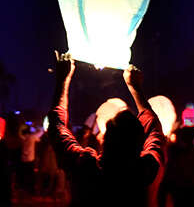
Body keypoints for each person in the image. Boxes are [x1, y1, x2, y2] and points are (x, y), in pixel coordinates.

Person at [47, 52, 165, 207]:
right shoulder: (149, 168)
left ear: (105, 139)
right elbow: (154, 128)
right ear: (139, 141)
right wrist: (135, 88)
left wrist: (63, 79)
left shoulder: (86, 167)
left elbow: (57, 126)